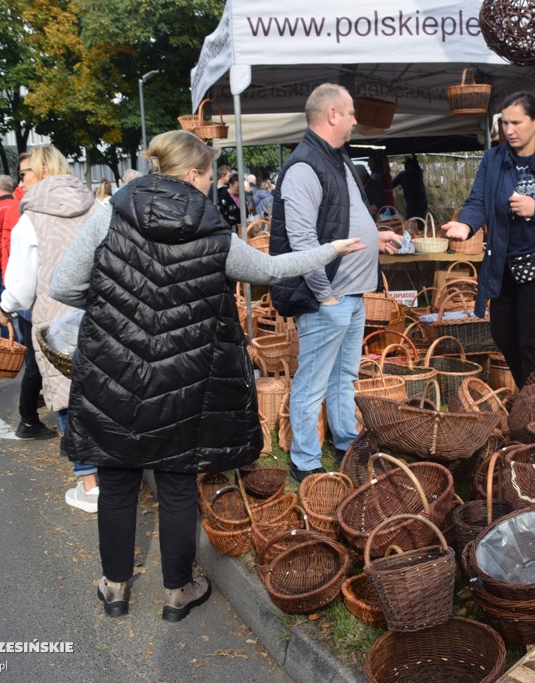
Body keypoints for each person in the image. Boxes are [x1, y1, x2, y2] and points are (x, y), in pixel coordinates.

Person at [49, 128, 365, 621]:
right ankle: (177, 593)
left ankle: (114, 588)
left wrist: (117, 307)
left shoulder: (110, 213)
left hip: (114, 370)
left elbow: (65, 286)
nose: (212, 183)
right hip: (187, 373)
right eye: (210, 174)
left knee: (116, 483)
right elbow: (269, 270)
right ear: (194, 174)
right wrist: (331, 250)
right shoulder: (214, 232)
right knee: (176, 485)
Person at [269, 83, 401, 482]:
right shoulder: (304, 166)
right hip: (329, 296)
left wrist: (377, 235)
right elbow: (303, 240)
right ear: (331, 115)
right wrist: (324, 296)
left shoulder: (336, 159)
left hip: (352, 294)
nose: (356, 120)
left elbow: (341, 215)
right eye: (350, 113)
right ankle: (305, 461)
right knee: (311, 382)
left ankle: (346, 442)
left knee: (344, 376)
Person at [442, 91, 535, 389]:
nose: (509, 130)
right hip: (503, 265)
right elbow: (478, 202)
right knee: (503, 335)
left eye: (516, 123)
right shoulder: (493, 159)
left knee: (532, 341)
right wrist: (466, 224)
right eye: (504, 123)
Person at [0, 145, 100, 511]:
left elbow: (22, 285)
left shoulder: (29, 221)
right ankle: (115, 474)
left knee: (67, 395)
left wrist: (4, 308)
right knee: (105, 393)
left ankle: (90, 483)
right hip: (102, 312)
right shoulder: (96, 207)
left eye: (25, 173)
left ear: (40, 172)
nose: (21, 180)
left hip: (56, 319)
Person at [391, 155, 429, 219]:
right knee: (410, 221)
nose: (406, 167)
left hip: (421, 203)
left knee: (420, 221)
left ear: (413, 166)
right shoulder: (402, 175)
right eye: (405, 165)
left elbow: (418, 170)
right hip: (410, 204)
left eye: (408, 165)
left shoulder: (418, 173)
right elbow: (392, 184)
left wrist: (415, 160)